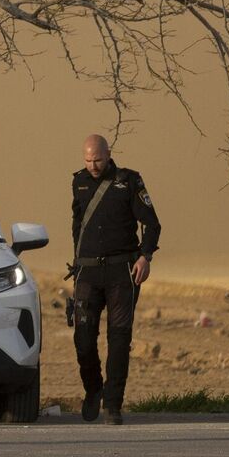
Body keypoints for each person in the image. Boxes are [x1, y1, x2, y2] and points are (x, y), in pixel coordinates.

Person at [69, 133, 162, 426]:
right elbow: (76, 223)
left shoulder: (129, 181)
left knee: (119, 340)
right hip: (88, 273)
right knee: (83, 339)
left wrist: (145, 256)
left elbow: (152, 223)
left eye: (97, 160)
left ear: (108, 154)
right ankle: (93, 388)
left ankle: (113, 404)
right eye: (88, 160)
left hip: (122, 273)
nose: (93, 166)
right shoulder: (79, 182)